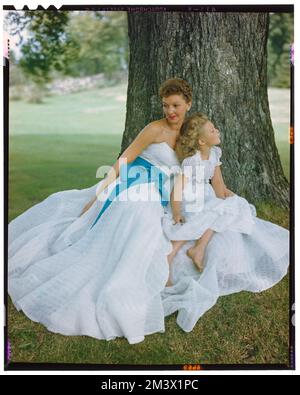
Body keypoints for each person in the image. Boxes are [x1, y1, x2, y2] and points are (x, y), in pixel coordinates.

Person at [8, 78, 192, 344]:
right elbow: (125, 160)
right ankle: (118, 276)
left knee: (150, 222)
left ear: (188, 103)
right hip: (135, 184)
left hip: (162, 194)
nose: (170, 111)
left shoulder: (190, 133)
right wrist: (99, 193)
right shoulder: (154, 129)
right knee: (136, 214)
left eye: (175, 105)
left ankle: (141, 270)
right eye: (166, 105)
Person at [160, 112, 289, 332]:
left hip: (208, 196)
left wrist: (227, 196)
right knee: (201, 217)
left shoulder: (214, 154)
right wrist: (176, 211)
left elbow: (218, 183)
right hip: (192, 199)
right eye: (212, 130)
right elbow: (178, 188)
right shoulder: (192, 161)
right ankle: (182, 254)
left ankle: (199, 248)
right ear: (201, 141)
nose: (217, 131)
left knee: (231, 205)